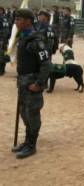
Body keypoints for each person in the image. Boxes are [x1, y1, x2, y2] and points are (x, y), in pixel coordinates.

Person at [11, 9, 51, 159]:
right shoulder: (24, 37)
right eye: (15, 19)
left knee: (32, 113)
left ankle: (31, 145)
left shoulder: (36, 41)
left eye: (19, 19)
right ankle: (27, 141)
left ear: (28, 20)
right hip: (23, 82)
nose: (16, 22)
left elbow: (46, 64)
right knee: (24, 112)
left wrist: (39, 83)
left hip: (32, 83)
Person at [0, 7, 10, 75]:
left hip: (2, 39)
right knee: (4, 54)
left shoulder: (1, 18)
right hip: (5, 39)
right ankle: (2, 70)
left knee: (2, 55)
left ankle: (1, 70)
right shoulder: (6, 18)